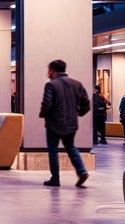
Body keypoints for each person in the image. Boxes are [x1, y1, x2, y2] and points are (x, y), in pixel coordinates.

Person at [39, 59, 91, 187]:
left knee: (53, 150)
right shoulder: (77, 84)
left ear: (52, 70)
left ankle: (55, 178)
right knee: (71, 147)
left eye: (48, 70)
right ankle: (81, 171)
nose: (47, 73)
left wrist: (43, 114)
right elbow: (86, 104)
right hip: (71, 123)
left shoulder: (51, 85)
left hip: (54, 124)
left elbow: (47, 104)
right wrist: (78, 113)